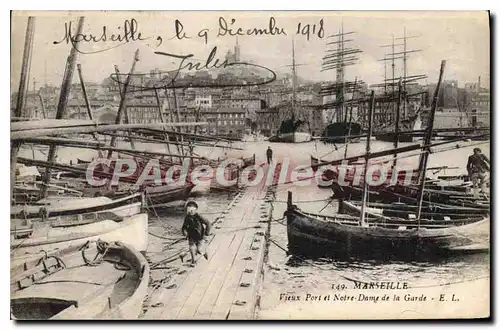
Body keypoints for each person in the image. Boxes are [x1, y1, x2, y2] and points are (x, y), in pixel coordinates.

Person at [181, 200, 211, 266]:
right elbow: (184, 227)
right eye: (189, 210)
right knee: (191, 248)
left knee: (199, 250)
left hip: (200, 235)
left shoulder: (199, 216)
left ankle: (204, 253)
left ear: (196, 210)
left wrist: (206, 234)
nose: (191, 212)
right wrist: (185, 233)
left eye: (192, 210)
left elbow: (208, 223)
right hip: (191, 235)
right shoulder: (187, 217)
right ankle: (193, 261)